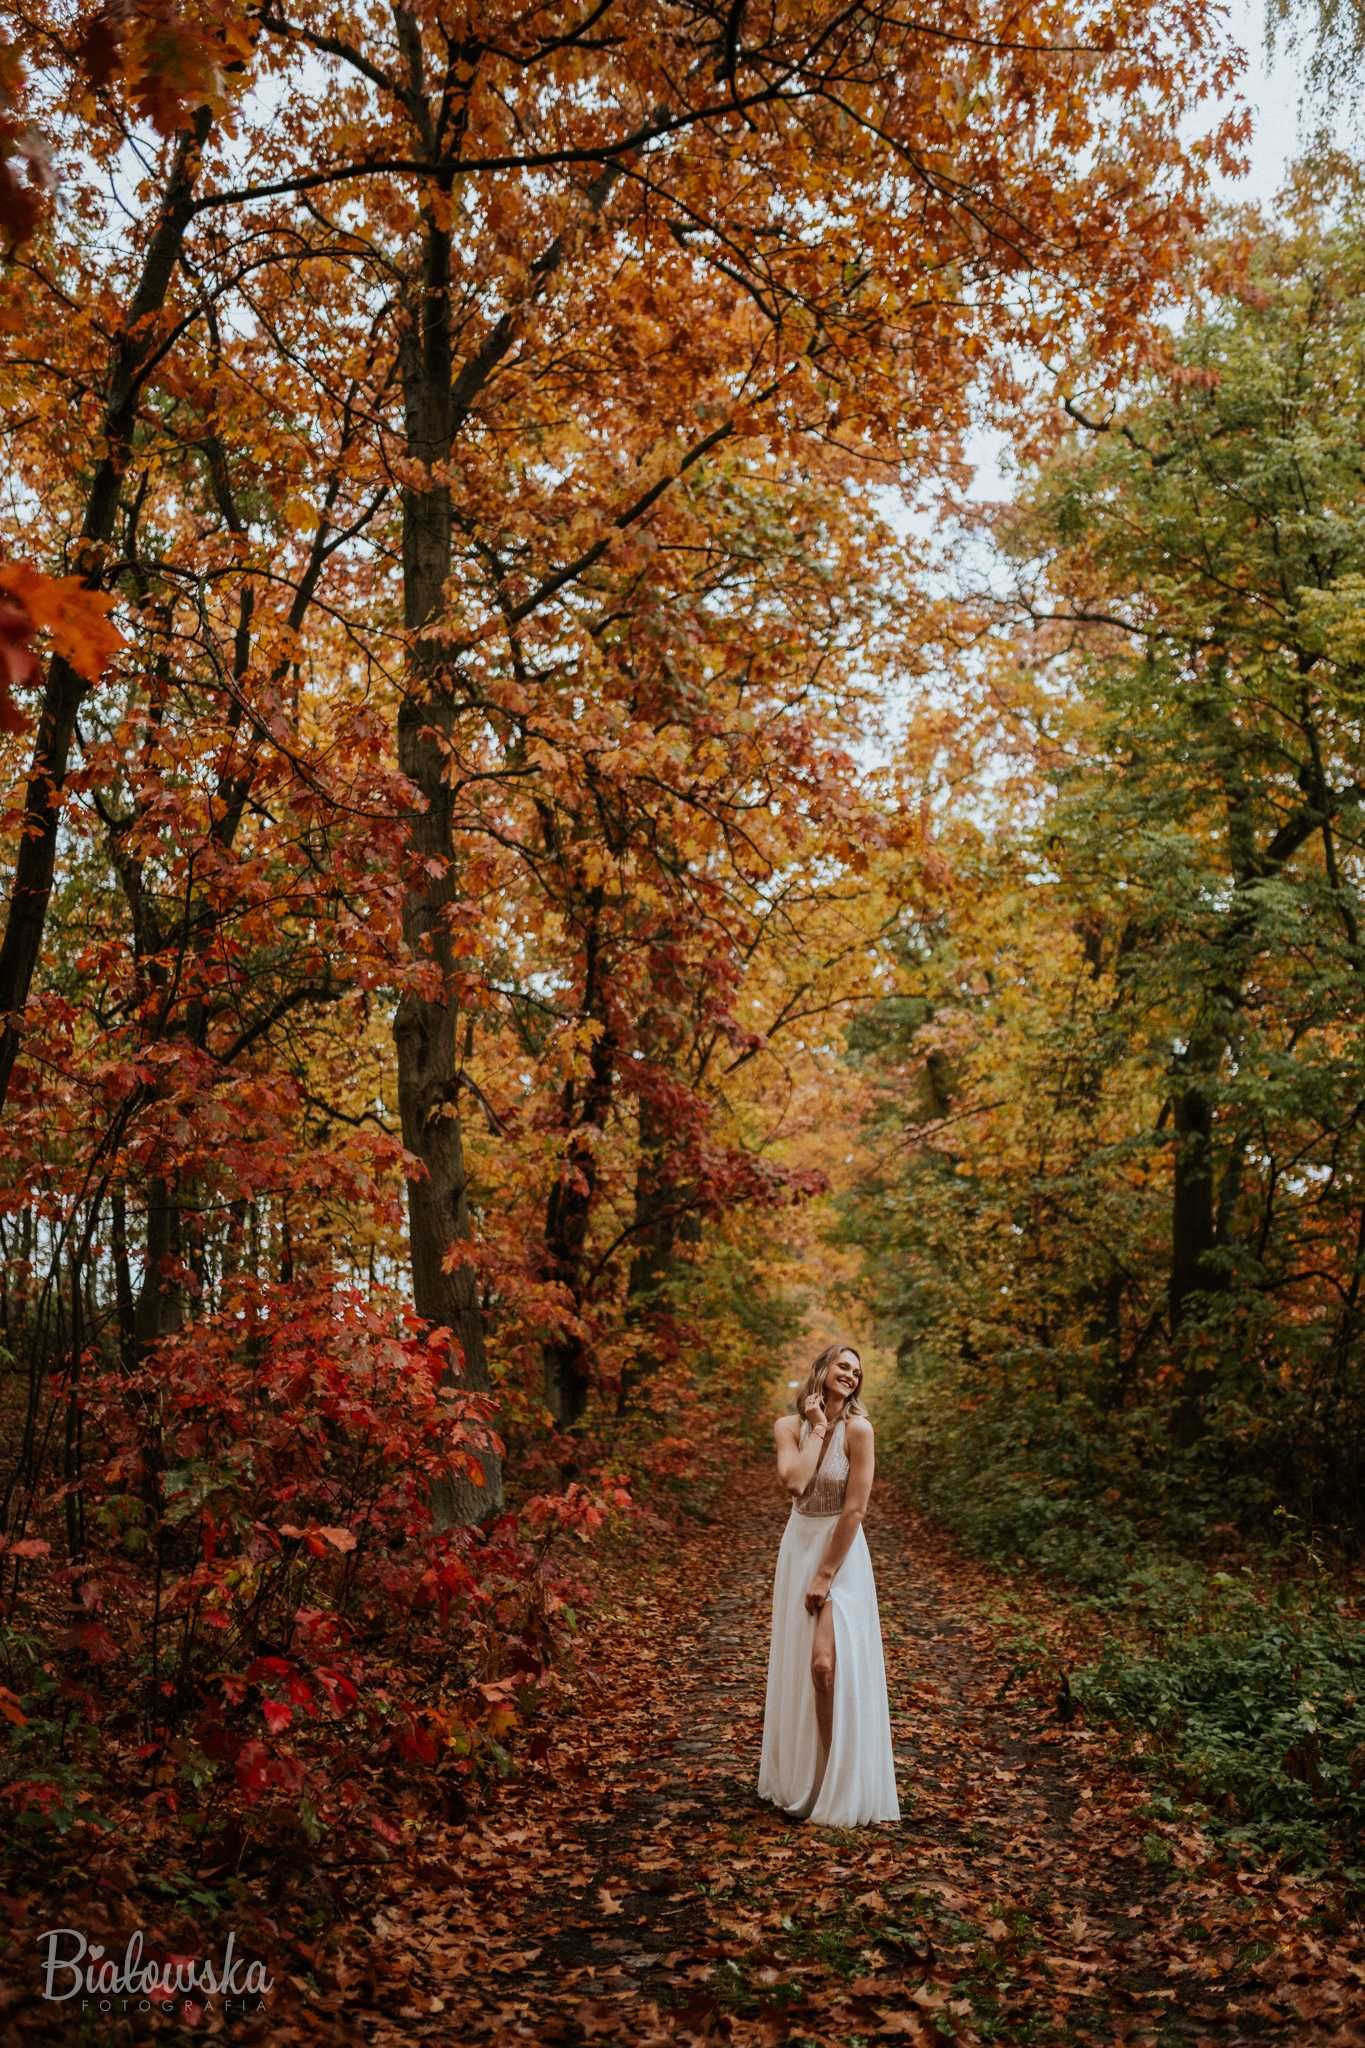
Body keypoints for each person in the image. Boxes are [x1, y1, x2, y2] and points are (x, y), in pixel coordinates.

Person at [757, 1342, 900, 1825]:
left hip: (841, 1552)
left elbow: (857, 1508)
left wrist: (826, 1573)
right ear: (821, 1369)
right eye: (843, 1366)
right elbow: (795, 1483)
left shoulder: (860, 1430)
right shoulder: (788, 1428)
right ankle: (812, 1783)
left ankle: (843, 1780)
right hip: (799, 1544)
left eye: (857, 1371)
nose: (851, 1375)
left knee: (825, 1666)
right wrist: (817, 1427)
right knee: (806, 1669)